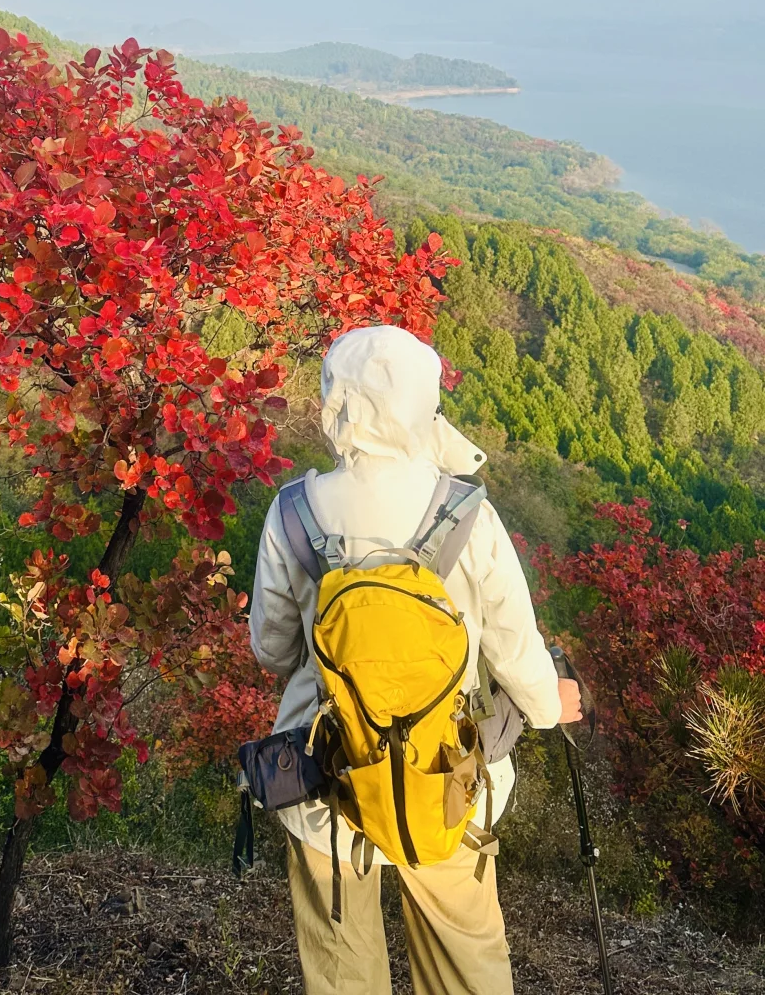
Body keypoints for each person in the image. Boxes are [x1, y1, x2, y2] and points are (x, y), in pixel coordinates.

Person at [249, 325, 581, 995]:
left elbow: (272, 649)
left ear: (334, 403)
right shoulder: (465, 514)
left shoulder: (293, 514)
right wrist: (555, 704)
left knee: (343, 971)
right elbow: (515, 654)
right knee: (467, 969)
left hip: (326, 781)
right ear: (422, 404)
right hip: (448, 778)